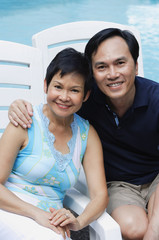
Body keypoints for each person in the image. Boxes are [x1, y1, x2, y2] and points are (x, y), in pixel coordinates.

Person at [8, 28, 159, 240]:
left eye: (120, 63)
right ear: (93, 74)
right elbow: (55, 101)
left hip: (156, 178)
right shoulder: (82, 100)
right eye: (102, 67)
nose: (113, 74)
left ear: (136, 65)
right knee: (135, 229)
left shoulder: (155, 98)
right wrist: (17, 104)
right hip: (120, 185)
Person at [0, 48, 108, 240]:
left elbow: (100, 195)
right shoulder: (25, 121)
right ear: (45, 86)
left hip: (50, 222)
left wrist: (79, 221)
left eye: (74, 90)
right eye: (58, 87)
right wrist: (35, 213)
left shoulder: (87, 135)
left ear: (85, 95)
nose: (64, 97)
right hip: (9, 209)